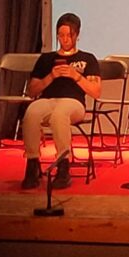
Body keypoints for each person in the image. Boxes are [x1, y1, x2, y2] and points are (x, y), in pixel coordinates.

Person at [21, 13, 101, 190]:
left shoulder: (87, 59)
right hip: (48, 99)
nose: (64, 39)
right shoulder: (46, 59)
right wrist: (51, 76)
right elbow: (32, 90)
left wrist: (76, 76)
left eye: (68, 35)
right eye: (61, 35)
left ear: (76, 35)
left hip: (73, 102)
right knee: (32, 112)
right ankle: (32, 163)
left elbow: (96, 92)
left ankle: (63, 165)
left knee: (60, 114)